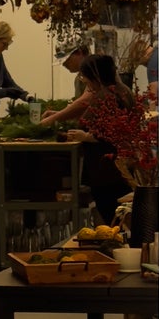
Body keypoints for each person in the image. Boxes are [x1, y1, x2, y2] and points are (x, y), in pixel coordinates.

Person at [40, 53, 136, 225]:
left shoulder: (106, 96)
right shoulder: (123, 91)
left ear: (95, 77)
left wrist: (86, 136)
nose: (84, 81)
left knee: (115, 217)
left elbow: (112, 133)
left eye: (84, 77)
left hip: (107, 171)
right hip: (119, 169)